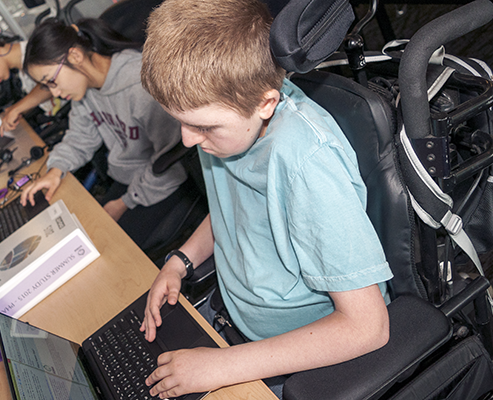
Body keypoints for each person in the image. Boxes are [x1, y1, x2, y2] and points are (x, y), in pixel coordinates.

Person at [138, 0, 394, 398]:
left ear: (266, 103)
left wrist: (223, 366)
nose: (188, 139)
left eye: (201, 126)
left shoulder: (306, 164)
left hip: (296, 350)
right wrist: (181, 261)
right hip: (234, 316)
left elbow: (368, 327)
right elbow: (235, 211)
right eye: (181, 122)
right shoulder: (227, 130)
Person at [19, 18, 187, 250]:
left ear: (75, 56)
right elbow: (80, 139)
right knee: (75, 237)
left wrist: (124, 203)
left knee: (106, 251)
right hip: (128, 181)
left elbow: (172, 160)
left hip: (163, 184)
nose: (55, 93)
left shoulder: (140, 85)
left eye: (52, 82)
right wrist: (54, 171)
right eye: (48, 87)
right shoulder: (86, 90)